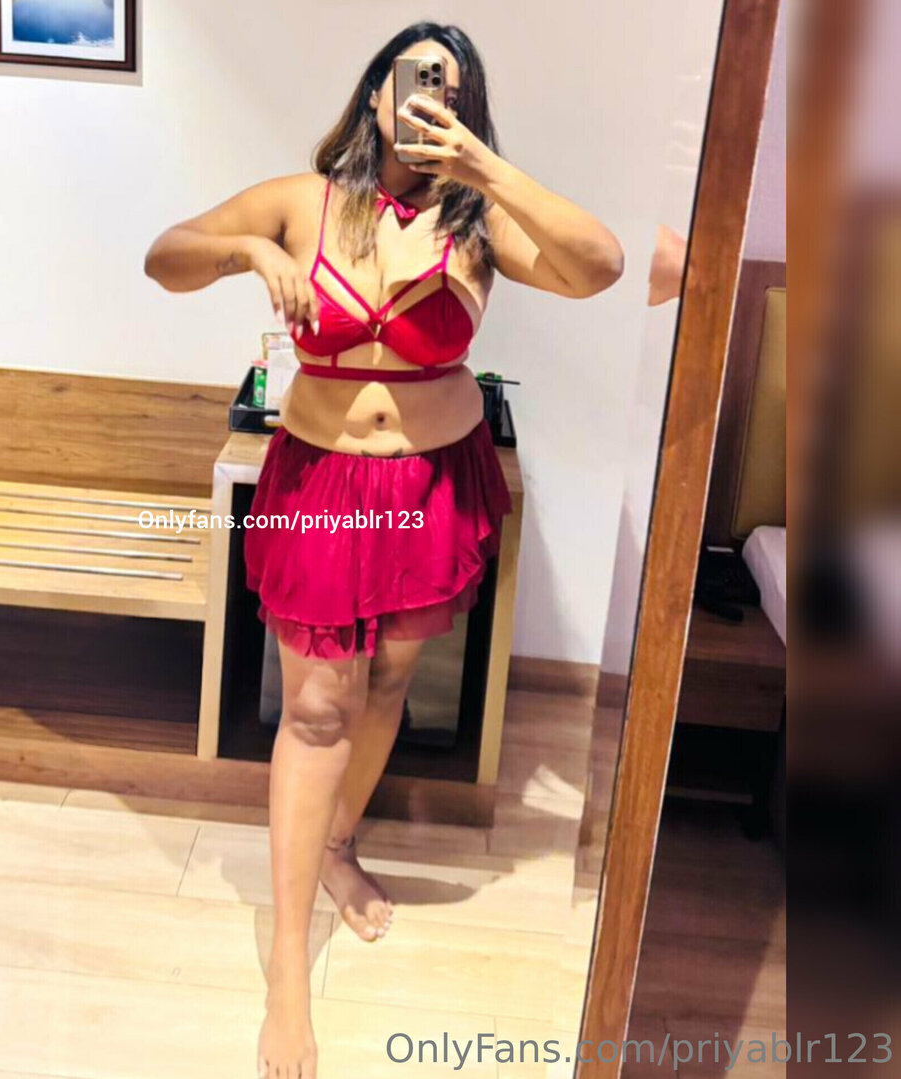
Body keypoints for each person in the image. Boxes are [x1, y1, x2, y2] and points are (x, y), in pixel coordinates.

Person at [144, 21, 624, 1079]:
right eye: (413, 82)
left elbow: (601, 265)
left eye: (451, 91)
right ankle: (287, 969)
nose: (425, 102)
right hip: (321, 486)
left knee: (390, 681)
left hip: (428, 485)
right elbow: (164, 255)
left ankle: (338, 844)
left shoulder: (478, 223)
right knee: (317, 707)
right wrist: (251, 250)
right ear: (374, 94)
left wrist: (484, 167)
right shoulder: (301, 201)